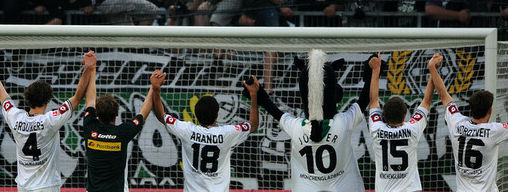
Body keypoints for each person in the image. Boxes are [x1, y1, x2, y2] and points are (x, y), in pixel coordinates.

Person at [254, 50, 373, 192]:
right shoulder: (343, 123)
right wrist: (372, 73)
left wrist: (258, 93)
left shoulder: (296, 128)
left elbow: (274, 111)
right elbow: (364, 99)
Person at [0, 49, 96, 192]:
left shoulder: (16, 118)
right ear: (48, 100)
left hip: (24, 187)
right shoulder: (50, 120)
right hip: (47, 186)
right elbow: (77, 97)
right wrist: (88, 68)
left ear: (27, 98)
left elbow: (1, 92)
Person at [429, 53, 508, 191]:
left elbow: (443, 95)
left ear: (471, 108)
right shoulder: (494, 131)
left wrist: (433, 68)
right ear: (490, 110)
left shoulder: (457, 123)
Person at [150, 69, 258, 191]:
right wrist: (253, 94)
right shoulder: (227, 133)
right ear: (217, 115)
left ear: (196, 115)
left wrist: (156, 89)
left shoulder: (186, 130)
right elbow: (253, 125)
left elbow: (161, 116)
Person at [83, 63, 157, 192]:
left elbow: (90, 100)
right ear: (117, 113)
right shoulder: (122, 133)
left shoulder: (90, 128)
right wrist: (154, 87)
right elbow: (143, 113)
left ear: (96, 113)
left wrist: (92, 69)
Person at [368, 53, 433, 192]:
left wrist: (376, 70)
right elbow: (426, 102)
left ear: (384, 116)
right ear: (404, 116)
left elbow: (373, 101)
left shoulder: (376, 129)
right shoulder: (412, 129)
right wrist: (433, 70)